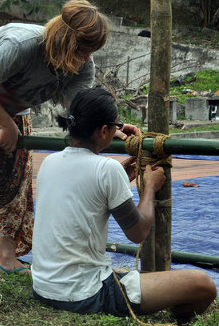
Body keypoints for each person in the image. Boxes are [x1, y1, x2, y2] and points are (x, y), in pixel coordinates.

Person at [0, 0, 137, 273]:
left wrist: (112, 128)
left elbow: (79, 112)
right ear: (68, 41)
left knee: (17, 175)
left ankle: (7, 257)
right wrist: (6, 125)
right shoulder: (21, 45)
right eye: (83, 50)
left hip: (12, 103)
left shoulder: (83, 66)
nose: (87, 58)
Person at [32, 87, 216, 321]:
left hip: (44, 288)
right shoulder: (106, 169)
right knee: (203, 284)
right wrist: (149, 187)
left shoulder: (50, 161)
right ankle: (176, 319)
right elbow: (138, 232)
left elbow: (88, 188)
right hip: (84, 294)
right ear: (104, 130)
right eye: (117, 125)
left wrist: (118, 175)